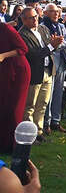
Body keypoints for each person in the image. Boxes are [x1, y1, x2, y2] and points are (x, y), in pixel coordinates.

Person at [19, 7, 63, 143]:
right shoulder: (22, 34)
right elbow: (33, 55)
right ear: (24, 20)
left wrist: (56, 44)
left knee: (43, 103)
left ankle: (38, 131)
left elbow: (49, 46)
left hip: (48, 70)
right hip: (34, 72)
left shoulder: (43, 29)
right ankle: (29, 134)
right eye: (31, 18)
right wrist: (51, 46)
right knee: (30, 105)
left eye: (36, 17)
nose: (35, 20)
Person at [0, 23, 31, 153]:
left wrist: (3, 55)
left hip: (18, 71)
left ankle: (14, 146)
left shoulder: (6, 29)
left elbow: (23, 48)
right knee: (3, 105)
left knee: (14, 109)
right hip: (4, 70)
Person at [42, 3, 66, 134]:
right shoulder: (43, 27)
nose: (56, 14)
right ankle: (46, 122)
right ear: (46, 13)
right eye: (53, 11)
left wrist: (59, 44)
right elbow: (46, 43)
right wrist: (57, 44)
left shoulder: (61, 26)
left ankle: (56, 120)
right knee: (49, 92)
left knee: (59, 92)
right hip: (49, 62)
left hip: (61, 61)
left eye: (57, 12)